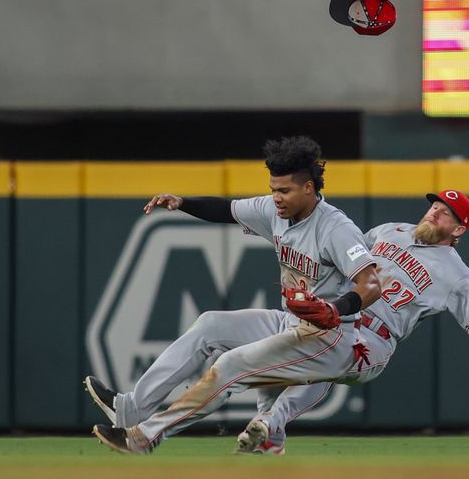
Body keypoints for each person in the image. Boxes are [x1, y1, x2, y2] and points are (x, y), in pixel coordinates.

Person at [84, 135, 386, 454]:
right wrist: (183, 203)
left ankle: (143, 437)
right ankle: (132, 407)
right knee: (209, 325)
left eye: (285, 190)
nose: (276, 198)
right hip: (291, 322)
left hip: (330, 337)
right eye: (273, 189)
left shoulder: (336, 229)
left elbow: (371, 284)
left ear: (309, 188)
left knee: (231, 365)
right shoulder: (275, 211)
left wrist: (336, 310)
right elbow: (226, 209)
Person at [232, 189, 469, 455]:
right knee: (275, 348)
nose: (434, 213)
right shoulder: (389, 231)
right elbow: (343, 261)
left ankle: (270, 422)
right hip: (343, 317)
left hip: (375, 340)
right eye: (434, 207)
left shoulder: (457, 275)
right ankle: (270, 436)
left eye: (445, 214)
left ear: (458, 230)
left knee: (329, 359)